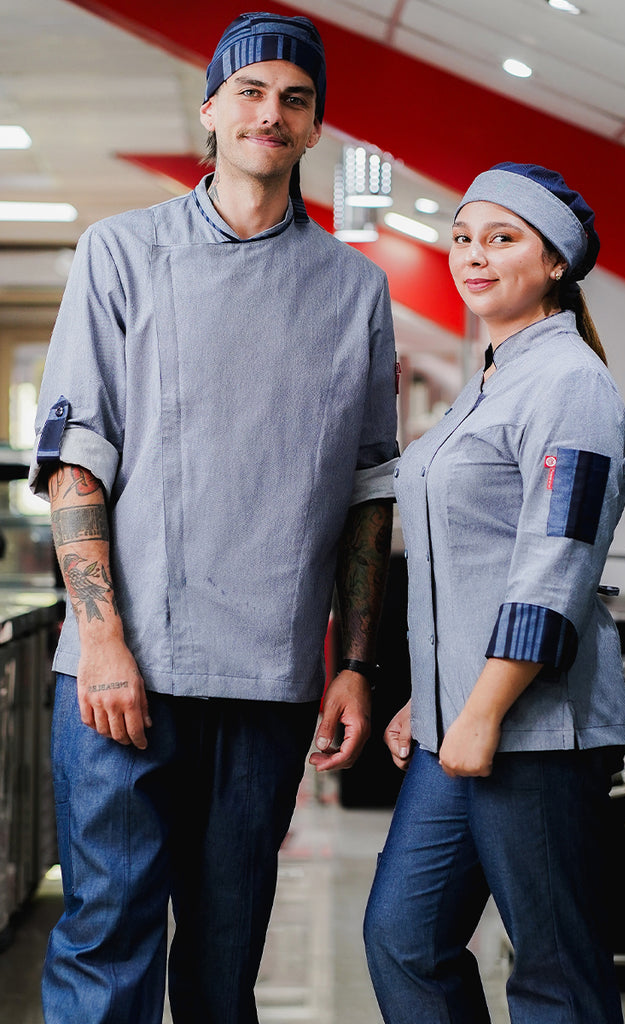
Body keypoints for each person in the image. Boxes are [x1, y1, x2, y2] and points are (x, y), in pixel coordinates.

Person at [30, 12, 398, 1024]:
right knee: (106, 940)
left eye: (294, 98)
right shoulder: (121, 254)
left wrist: (357, 665)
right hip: (123, 677)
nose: (269, 113)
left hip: (268, 682)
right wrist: (101, 637)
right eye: (250, 92)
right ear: (211, 109)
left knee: (225, 963)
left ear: (315, 125)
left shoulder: (356, 290)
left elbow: (369, 490)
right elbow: (74, 465)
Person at [364, 163, 625, 1023]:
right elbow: (461, 563)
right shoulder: (487, 383)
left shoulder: (571, 384)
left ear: (556, 261)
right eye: (463, 238)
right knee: (403, 938)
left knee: (555, 973)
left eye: (502, 238)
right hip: (460, 722)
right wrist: (432, 699)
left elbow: (553, 564)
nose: (473, 257)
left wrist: (478, 711)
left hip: (538, 730)